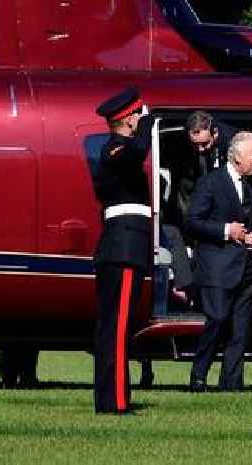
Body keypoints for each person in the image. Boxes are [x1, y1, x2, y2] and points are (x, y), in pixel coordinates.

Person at [186, 131, 252, 392]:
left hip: (249, 267)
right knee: (218, 320)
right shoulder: (211, 183)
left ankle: (231, 383)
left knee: (241, 329)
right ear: (237, 156)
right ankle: (199, 375)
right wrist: (225, 230)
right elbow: (193, 222)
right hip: (218, 268)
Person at [93, 86, 153, 414]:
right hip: (123, 248)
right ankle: (115, 401)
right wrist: (145, 125)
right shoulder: (115, 150)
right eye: (137, 116)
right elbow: (135, 152)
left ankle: (111, 398)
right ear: (128, 119)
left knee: (113, 329)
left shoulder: (117, 151)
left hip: (122, 247)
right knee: (116, 330)